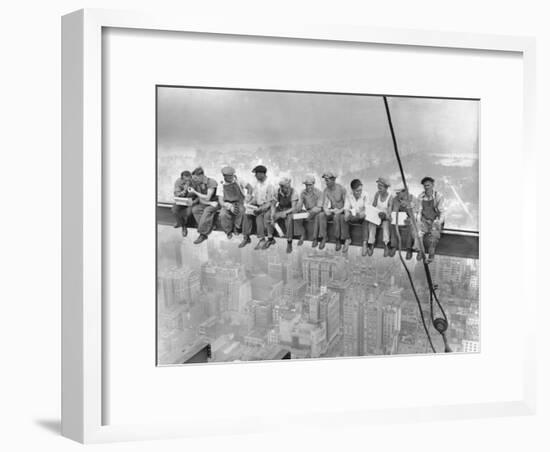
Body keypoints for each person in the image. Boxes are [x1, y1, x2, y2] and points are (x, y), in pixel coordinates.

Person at [239, 165, 275, 250]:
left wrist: (261, 209)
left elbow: (270, 202)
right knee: (246, 214)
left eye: (256, 174)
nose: (255, 176)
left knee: (259, 217)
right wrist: (250, 203)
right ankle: (246, 237)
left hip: (267, 207)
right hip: (258, 206)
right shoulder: (257, 184)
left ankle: (262, 239)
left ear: (262, 174)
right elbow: (256, 198)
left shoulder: (270, 184)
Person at [417, 176, 446, 263]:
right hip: (424, 219)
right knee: (419, 234)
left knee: (434, 236)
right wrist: (418, 221)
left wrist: (439, 222)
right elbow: (419, 211)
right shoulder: (421, 196)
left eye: (428, 185)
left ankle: (431, 254)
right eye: (425, 186)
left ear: (433, 185)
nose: (426, 187)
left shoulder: (438, 196)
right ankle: (420, 251)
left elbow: (442, 211)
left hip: (435, 220)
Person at [188, 167, 220, 245]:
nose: (195, 180)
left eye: (196, 178)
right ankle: (210, 226)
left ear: (201, 176)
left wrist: (194, 192)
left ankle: (203, 234)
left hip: (215, 203)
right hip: (207, 203)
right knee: (195, 209)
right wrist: (208, 203)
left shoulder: (211, 182)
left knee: (207, 211)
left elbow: (207, 197)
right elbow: (201, 199)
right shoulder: (198, 184)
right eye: (193, 178)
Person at [315, 172, 346, 250]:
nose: (326, 182)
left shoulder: (341, 189)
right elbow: (325, 204)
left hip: (341, 212)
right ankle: (324, 237)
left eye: (327, 180)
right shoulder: (326, 190)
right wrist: (326, 210)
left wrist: (339, 211)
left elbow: (347, 205)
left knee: (336, 217)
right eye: (325, 180)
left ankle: (337, 239)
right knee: (321, 215)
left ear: (333, 180)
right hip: (333, 211)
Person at [269, 177, 299, 253]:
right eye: (281, 187)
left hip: (289, 210)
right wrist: (273, 215)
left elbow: (294, 207)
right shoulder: (277, 191)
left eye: (284, 187)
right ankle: (271, 238)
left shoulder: (294, 192)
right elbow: (273, 205)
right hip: (281, 208)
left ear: (288, 186)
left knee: (289, 220)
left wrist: (284, 213)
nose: (283, 189)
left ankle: (289, 241)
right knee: (269, 216)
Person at [218, 166, 247, 240]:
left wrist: (249, 196)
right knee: (222, 214)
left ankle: (236, 227)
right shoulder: (221, 184)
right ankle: (228, 231)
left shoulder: (238, 180)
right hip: (227, 203)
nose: (232, 177)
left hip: (239, 201)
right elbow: (221, 201)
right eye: (229, 176)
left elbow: (249, 187)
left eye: (232, 175)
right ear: (224, 176)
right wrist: (229, 206)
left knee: (241, 210)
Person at [341, 179, 369, 255]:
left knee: (366, 220)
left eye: (360, 190)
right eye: (357, 191)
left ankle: (364, 243)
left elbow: (367, 208)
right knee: (344, 218)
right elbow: (346, 207)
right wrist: (347, 213)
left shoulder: (365, 194)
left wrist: (362, 213)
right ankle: (347, 239)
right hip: (353, 216)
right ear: (352, 190)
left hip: (361, 216)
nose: (359, 192)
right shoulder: (348, 195)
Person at [366, 177, 393, 257]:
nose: (379, 188)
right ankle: (371, 243)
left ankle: (386, 244)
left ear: (386, 187)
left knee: (385, 225)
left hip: (385, 217)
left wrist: (385, 216)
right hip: (377, 216)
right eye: (378, 186)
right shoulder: (377, 194)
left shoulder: (390, 197)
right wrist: (371, 213)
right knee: (371, 224)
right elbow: (374, 206)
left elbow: (389, 210)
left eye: (381, 186)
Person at [389, 188, 418, 259]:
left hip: (409, 219)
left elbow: (415, 213)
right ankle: (394, 246)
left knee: (411, 226)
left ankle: (408, 249)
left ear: (405, 192)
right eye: (397, 193)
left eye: (399, 193)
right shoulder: (395, 199)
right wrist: (392, 216)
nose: (397, 194)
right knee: (392, 224)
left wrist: (407, 206)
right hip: (399, 219)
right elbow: (394, 211)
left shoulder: (413, 198)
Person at [295, 175, 322, 246]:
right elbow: (299, 206)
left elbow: (319, 206)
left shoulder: (318, 192)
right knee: (296, 216)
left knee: (316, 216)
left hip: (317, 211)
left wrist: (311, 212)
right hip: (308, 211)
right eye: (306, 185)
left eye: (310, 185)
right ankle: (303, 233)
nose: (308, 187)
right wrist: (297, 207)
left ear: (313, 184)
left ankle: (315, 239)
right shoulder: (303, 192)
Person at [171, 170, 196, 237]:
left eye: (189, 180)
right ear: (182, 178)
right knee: (174, 210)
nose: (187, 182)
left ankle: (183, 223)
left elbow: (197, 194)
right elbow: (176, 193)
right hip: (181, 200)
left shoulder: (194, 182)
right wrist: (182, 193)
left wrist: (194, 200)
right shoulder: (178, 181)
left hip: (191, 200)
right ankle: (183, 226)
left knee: (188, 213)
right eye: (185, 180)